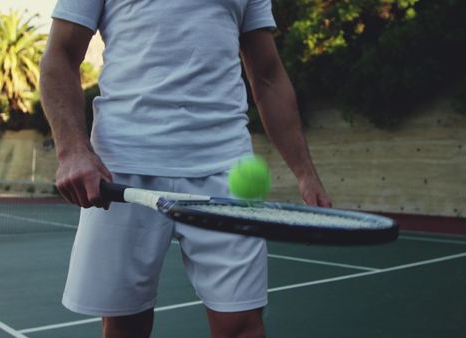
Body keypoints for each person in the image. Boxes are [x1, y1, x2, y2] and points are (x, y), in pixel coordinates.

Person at [39, 1, 331, 337]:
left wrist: (305, 173)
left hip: (226, 170)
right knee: (124, 326)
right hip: (122, 168)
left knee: (242, 325)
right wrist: (73, 150)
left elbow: (268, 76)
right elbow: (60, 53)